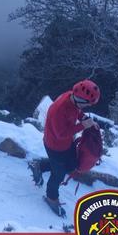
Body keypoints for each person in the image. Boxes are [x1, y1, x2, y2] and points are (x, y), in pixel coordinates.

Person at [28, 80, 101, 217]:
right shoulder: (59, 109)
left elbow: (77, 111)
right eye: (87, 104)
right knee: (58, 174)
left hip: (67, 143)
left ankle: (39, 166)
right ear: (80, 99)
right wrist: (83, 125)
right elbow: (60, 134)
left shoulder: (71, 96)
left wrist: (87, 121)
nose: (87, 107)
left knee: (71, 165)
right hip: (55, 146)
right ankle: (51, 197)